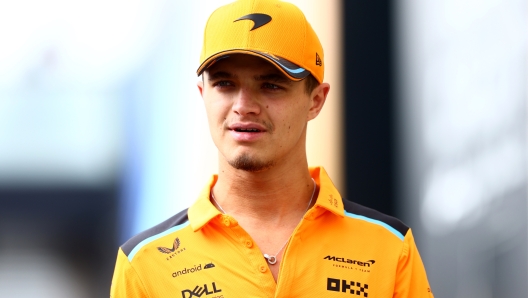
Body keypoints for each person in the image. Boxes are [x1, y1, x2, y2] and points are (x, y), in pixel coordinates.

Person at [110, 0, 434, 297]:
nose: (243, 106)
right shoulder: (144, 263)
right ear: (202, 94)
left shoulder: (389, 247)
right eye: (225, 84)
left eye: (270, 85)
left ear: (316, 100)